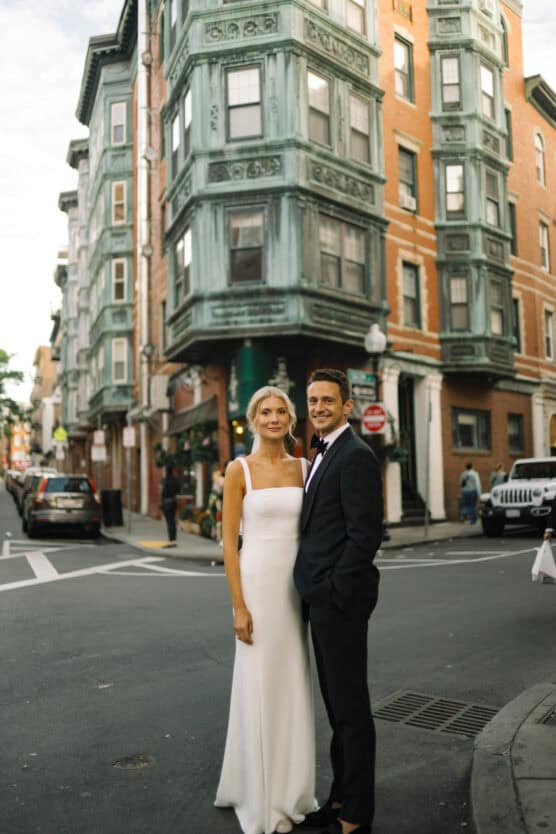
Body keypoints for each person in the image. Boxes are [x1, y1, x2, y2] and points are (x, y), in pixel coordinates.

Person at [215, 386, 316, 834]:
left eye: (280, 412)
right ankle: (258, 792)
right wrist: (238, 606)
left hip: (295, 591)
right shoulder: (239, 471)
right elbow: (229, 545)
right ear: (253, 419)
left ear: (290, 419)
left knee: (292, 681)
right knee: (258, 682)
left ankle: (293, 790)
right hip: (257, 586)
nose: (273, 418)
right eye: (264, 412)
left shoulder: (305, 468)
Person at [294, 369, 383, 834]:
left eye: (328, 400)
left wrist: (332, 590)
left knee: (350, 709)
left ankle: (355, 815)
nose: (319, 407)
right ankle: (338, 799)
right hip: (321, 602)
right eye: (312, 401)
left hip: (339, 603)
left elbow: (364, 536)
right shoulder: (323, 453)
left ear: (346, 406)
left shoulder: (355, 456)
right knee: (336, 706)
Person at [159, 464, 180, 547]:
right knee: (173, 522)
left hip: (167, 503)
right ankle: (173, 539)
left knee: (169, 522)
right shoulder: (175, 480)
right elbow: (178, 490)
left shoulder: (164, 480)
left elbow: (162, 492)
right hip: (173, 502)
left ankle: (171, 540)